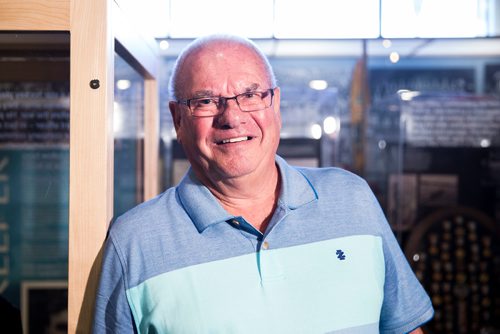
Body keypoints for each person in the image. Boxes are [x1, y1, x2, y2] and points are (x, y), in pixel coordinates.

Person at [93, 35, 433, 333]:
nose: (232, 117)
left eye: (251, 95)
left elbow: (404, 328)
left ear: (275, 104)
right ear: (177, 120)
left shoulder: (353, 200)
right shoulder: (133, 244)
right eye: (206, 101)